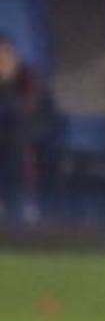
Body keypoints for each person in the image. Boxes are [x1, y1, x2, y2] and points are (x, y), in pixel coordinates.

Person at [0, 34, 57, 226]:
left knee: (20, 143)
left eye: (6, 54)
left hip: (29, 140)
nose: (2, 61)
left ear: (14, 56)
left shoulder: (30, 82)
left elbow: (39, 116)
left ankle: (26, 205)